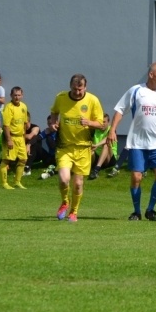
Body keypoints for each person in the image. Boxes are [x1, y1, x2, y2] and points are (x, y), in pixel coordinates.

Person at [108, 63, 156, 221]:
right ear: (151, 75)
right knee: (136, 177)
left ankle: (150, 209)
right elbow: (120, 109)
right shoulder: (136, 90)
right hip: (138, 142)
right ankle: (136, 212)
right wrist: (112, 129)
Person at [50, 73, 105, 222]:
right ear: (70, 87)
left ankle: (74, 212)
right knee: (63, 179)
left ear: (85, 87)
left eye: (80, 89)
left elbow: (102, 124)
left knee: (78, 183)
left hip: (83, 148)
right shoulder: (61, 98)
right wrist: (53, 123)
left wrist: (89, 123)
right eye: (75, 89)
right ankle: (65, 202)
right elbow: (54, 112)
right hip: (65, 146)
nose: (77, 92)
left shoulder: (92, 100)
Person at [0, 86, 29, 189]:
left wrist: (24, 139)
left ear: (22, 95)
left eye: (19, 95)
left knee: (23, 159)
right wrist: (9, 140)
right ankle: (4, 183)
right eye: (15, 95)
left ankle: (17, 182)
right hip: (11, 137)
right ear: (11, 96)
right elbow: (6, 125)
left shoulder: (24, 107)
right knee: (6, 160)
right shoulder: (8, 107)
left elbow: (25, 123)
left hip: (20, 138)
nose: (17, 97)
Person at [88, 113, 118, 180]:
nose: (103, 124)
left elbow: (108, 138)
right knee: (90, 150)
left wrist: (96, 145)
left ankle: (96, 170)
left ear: (108, 122)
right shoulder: (95, 130)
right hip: (98, 156)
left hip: (110, 158)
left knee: (106, 144)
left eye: (104, 122)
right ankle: (87, 169)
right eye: (101, 122)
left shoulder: (111, 130)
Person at [23, 112, 41, 176]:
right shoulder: (21, 129)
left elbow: (30, 136)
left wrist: (28, 144)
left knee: (33, 142)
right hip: (25, 152)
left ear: (28, 120)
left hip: (37, 153)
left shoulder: (35, 127)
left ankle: (27, 168)